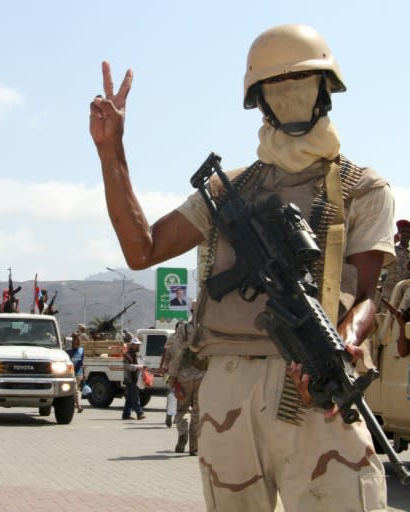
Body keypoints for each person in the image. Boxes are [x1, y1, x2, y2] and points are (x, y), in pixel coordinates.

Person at [89, 23, 393, 510]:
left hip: (317, 389)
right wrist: (112, 150)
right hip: (229, 385)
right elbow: (142, 251)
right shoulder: (225, 189)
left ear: (325, 92)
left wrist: (343, 343)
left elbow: (369, 294)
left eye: (302, 84)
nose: (290, 96)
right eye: (278, 86)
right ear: (260, 100)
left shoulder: (362, 186)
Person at [166, 320, 207, 455]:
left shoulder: (183, 330)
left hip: (184, 377)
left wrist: (172, 376)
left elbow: (176, 355)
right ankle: (194, 447)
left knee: (182, 409)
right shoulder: (208, 329)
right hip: (202, 376)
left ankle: (183, 433)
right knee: (197, 411)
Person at [381, 219, 410, 307]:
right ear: (398, 234)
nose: (405, 234)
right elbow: (379, 251)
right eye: (402, 231)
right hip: (390, 295)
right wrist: (393, 240)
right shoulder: (391, 250)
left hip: (407, 295)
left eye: (407, 232)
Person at [121, 337, 146, 420]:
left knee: (129, 398)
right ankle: (140, 413)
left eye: (139, 345)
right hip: (130, 379)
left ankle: (126, 415)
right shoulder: (127, 354)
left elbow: (140, 363)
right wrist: (138, 367)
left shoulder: (136, 355)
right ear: (133, 345)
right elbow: (126, 366)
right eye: (137, 345)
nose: (138, 346)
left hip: (135, 378)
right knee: (135, 397)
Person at [66, 334, 85, 413]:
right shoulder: (68, 351)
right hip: (71, 373)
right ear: (73, 341)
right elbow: (68, 363)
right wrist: (70, 372)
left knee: (76, 389)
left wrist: (84, 373)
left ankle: (73, 404)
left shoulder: (81, 350)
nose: (79, 341)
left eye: (80, 340)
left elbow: (82, 362)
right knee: (75, 389)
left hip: (79, 373)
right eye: (77, 339)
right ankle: (78, 406)